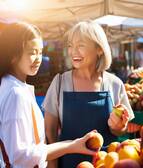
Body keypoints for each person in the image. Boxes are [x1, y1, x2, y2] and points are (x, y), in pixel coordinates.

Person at [0, 22, 97, 168]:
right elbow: (21, 157)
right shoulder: (15, 93)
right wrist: (70, 146)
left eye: (40, 52)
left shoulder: (10, 85)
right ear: (13, 55)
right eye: (32, 53)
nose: (39, 58)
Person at [43, 20, 135, 168]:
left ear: (99, 49)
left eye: (80, 45)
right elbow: (50, 131)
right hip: (67, 162)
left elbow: (120, 130)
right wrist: (52, 164)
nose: (73, 51)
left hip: (105, 162)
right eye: (70, 46)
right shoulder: (59, 83)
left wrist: (118, 126)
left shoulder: (114, 83)